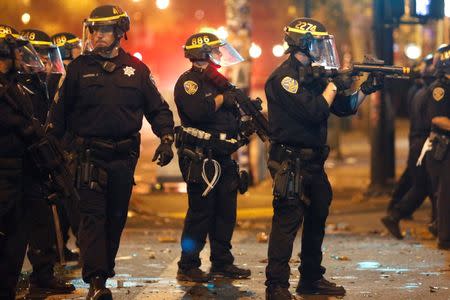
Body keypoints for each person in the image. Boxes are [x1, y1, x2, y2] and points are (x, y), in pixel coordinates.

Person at [47, 5, 175, 299]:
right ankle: (96, 281)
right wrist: (52, 155)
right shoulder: (78, 69)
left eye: (104, 29)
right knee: (92, 219)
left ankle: (103, 270)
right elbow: (58, 114)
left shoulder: (137, 70)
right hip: (88, 157)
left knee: (115, 219)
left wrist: (166, 137)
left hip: (123, 158)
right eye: (93, 29)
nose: (96, 35)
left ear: (120, 33)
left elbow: (157, 108)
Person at [264, 18, 384, 299]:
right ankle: (276, 286)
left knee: (316, 222)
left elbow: (343, 108)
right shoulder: (285, 79)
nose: (321, 48)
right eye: (317, 42)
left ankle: (311, 280)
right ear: (303, 43)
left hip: (314, 163)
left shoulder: (312, 75)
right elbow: (316, 112)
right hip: (290, 163)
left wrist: (364, 89)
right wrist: (333, 84)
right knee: (287, 224)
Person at [174, 32, 251, 282]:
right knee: (200, 214)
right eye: (215, 51)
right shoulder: (190, 82)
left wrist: (243, 125)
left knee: (225, 213)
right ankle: (188, 265)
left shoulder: (218, 81)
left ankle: (222, 262)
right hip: (201, 159)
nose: (220, 55)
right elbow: (198, 112)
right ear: (203, 54)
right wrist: (222, 99)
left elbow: (227, 118)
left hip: (223, 157)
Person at [18, 28, 76, 294]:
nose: (42, 61)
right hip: (15, 166)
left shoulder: (42, 84)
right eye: (37, 54)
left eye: (44, 55)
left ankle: (42, 277)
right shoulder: (13, 86)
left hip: (39, 164)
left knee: (43, 222)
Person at [0, 24, 47, 299]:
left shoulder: (15, 84)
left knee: (16, 243)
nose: (22, 55)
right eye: (17, 50)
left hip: (20, 174)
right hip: (4, 174)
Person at [381, 54, 436, 239]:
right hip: (423, 143)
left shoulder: (418, 91)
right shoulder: (429, 93)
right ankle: (395, 214)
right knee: (424, 186)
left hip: (417, 141)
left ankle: (434, 223)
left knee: (420, 183)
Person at [425, 44, 450, 250]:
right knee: (446, 193)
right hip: (444, 147)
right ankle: (445, 236)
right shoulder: (440, 88)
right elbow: (438, 118)